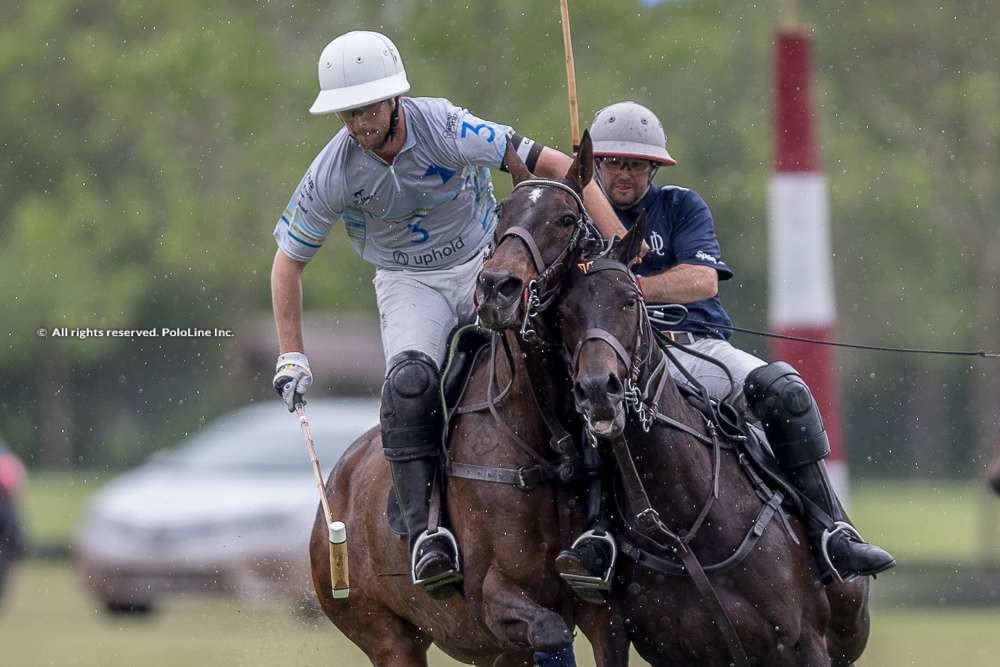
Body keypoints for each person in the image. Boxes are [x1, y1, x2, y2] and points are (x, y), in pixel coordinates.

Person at [269, 31, 628, 593]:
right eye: (347, 114)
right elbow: (287, 262)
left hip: (486, 258)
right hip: (408, 282)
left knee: (574, 359)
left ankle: (602, 519)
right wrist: (292, 354)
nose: (360, 125)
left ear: (393, 99)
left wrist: (616, 245)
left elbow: (553, 162)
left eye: (367, 109)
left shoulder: (444, 125)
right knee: (409, 383)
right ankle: (424, 535)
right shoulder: (333, 170)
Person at [555, 101, 894, 593]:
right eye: (611, 162)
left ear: (653, 167)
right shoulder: (576, 218)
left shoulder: (680, 207)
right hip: (614, 360)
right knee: (576, 412)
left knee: (785, 391)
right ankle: (596, 535)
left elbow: (702, 280)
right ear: (597, 165)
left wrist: (628, 289)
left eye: (634, 163)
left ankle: (831, 531)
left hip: (694, 351)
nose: (623, 173)